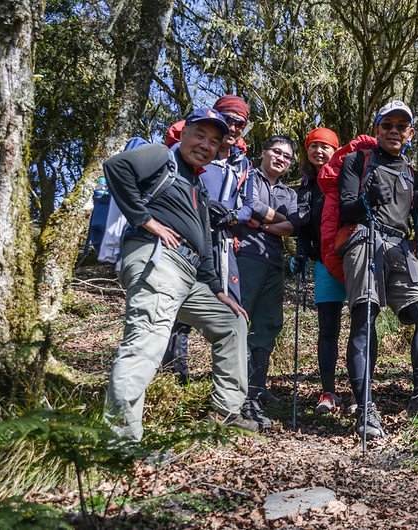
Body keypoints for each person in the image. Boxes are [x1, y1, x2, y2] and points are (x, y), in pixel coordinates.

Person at [103, 108, 258, 440]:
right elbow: (116, 167)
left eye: (213, 141)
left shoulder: (198, 185)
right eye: (200, 135)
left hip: (191, 274)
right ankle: (121, 439)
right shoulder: (162, 157)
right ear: (184, 133)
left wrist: (218, 291)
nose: (205, 145)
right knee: (147, 340)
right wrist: (144, 218)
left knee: (231, 323)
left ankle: (226, 413)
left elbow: (203, 243)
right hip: (157, 259)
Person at [338, 100, 418, 440]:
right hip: (364, 239)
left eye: (400, 126)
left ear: (410, 133)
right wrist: (365, 200)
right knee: (366, 316)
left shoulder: (410, 171)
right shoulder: (356, 161)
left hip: (400, 245)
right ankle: (365, 407)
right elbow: (346, 210)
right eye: (386, 125)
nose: (393, 131)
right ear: (376, 129)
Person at [161, 95, 253, 385]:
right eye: (229, 120)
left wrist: (234, 216)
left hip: (224, 242)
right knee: (177, 309)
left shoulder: (242, 164)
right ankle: (174, 378)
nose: (235, 127)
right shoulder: (191, 153)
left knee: (231, 311)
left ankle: (229, 389)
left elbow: (249, 203)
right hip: (185, 238)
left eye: (241, 123)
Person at [238, 135, 300, 430]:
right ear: (263, 152)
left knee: (270, 323)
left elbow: (291, 225)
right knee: (239, 320)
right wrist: (271, 221)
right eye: (276, 152)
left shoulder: (290, 192)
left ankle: (256, 387)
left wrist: (263, 223)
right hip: (246, 255)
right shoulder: (248, 175)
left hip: (274, 261)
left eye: (286, 157)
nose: (280, 159)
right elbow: (249, 205)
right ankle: (235, 392)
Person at [295, 128, 347, 414]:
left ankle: (361, 391)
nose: (319, 151)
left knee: (362, 325)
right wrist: (302, 254)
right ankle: (328, 391)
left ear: (335, 150)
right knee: (328, 328)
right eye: (313, 146)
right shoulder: (306, 187)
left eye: (325, 147)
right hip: (323, 262)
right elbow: (304, 229)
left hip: (353, 258)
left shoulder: (347, 178)